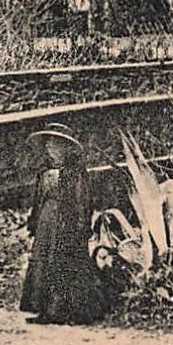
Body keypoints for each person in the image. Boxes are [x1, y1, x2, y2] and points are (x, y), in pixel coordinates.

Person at [21, 125, 108, 324]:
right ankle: (45, 310)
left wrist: (81, 224)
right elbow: (38, 200)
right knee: (44, 261)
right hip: (46, 221)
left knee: (65, 262)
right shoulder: (44, 173)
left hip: (66, 223)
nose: (52, 150)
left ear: (66, 149)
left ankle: (67, 311)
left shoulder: (75, 174)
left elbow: (83, 201)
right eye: (49, 146)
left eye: (57, 146)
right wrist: (34, 221)